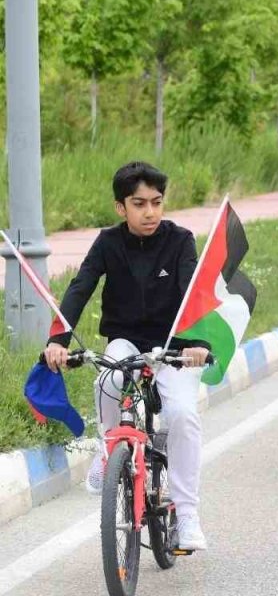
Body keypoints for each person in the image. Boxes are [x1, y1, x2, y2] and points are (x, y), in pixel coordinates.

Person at [43, 162, 213, 550]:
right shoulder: (107, 242)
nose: (150, 212)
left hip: (174, 347)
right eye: (139, 203)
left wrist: (197, 343)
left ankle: (187, 515)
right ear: (121, 207)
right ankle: (108, 450)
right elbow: (80, 286)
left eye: (156, 202)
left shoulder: (181, 240)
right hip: (126, 342)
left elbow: (194, 292)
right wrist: (58, 339)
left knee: (183, 416)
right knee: (107, 378)